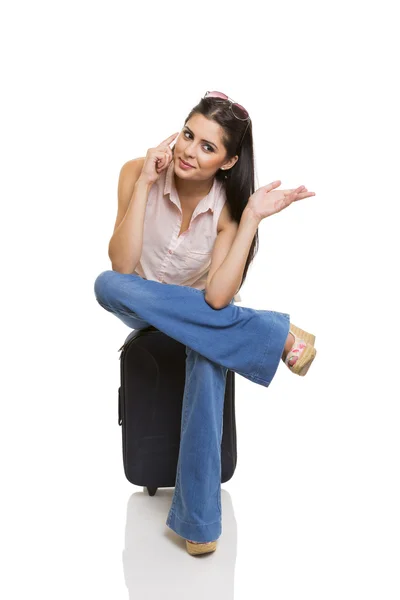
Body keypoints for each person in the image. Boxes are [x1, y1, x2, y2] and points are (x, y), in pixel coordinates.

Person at [94, 90, 318, 556]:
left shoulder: (228, 211)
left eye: (207, 147)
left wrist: (253, 217)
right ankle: (271, 333)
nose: (188, 151)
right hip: (141, 305)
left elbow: (217, 297)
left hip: (205, 318)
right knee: (107, 284)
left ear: (229, 161)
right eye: (188, 135)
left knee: (208, 356)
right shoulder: (137, 172)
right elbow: (122, 265)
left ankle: (198, 524)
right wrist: (144, 187)